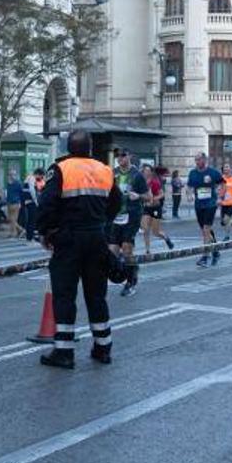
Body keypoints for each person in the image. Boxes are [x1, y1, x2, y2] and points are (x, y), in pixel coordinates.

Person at [34, 129, 121, 368]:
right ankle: (103, 347)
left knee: (64, 295)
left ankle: (64, 352)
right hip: (96, 237)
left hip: (68, 239)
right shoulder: (104, 169)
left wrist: (45, 231)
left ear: (68, 148)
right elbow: (116, 202)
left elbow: (46, 204)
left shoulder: (61, 169)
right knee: (96, 295)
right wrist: (101, 221)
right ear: (90, 147)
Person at [109, 150, 148, 296]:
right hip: (116, 215)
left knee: (126, 248)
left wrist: (138, 196)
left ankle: (131, 281)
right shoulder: (113, 173)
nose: (120, 158)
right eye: (118, 156)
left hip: (132, 215)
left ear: (129, 157)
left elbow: (148, 197)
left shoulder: (137, 175)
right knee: (112, 250)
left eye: (123, 156)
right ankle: (131, 268)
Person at [187, 153, 225, 267]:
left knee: (206, 229)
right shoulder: (193, 173)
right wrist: (189, 194)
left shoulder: (213, 172)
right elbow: (189, 186)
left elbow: (223, 184)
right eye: (196, 160)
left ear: (204, 160)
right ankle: (216, 251)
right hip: (199, 204)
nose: (197, 162)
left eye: (199, 159)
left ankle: (205, 256)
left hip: (210, 204)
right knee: (205, 230)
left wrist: (219, 197)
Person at [140, 163, 173, 256]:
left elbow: (162, 194)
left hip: (155, 208)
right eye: (144, 171)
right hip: (147, 208)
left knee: (156, 232)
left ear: (150, 172)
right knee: (145, 229)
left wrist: (154, 198)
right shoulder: (142, 182)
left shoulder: (155, 182)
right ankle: (147, 250)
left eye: (147, 171)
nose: (145, 173)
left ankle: (166, 238)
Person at [20, 168, 41, 243]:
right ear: (38, 174)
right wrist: (36, 201)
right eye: (40, 176)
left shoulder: (27, 178)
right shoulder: (32, 178)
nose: (40, 178)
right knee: (32, 220)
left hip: (27, 202)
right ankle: (30, 238)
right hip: (31, 202)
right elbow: (32, 190)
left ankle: (29, 237)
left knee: (30, 220)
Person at [4, 167, 23, 238]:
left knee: (13, 219)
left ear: (15, 175)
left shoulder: (18, 183)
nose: (12, 176)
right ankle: (19, 230)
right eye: (10, 174)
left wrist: (20, 202)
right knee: (10, 219)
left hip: (16, 203)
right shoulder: (8, 183)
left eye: (13, 174)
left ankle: (13, 232)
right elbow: (7, 193)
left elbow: (21, 193)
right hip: (9, 202)